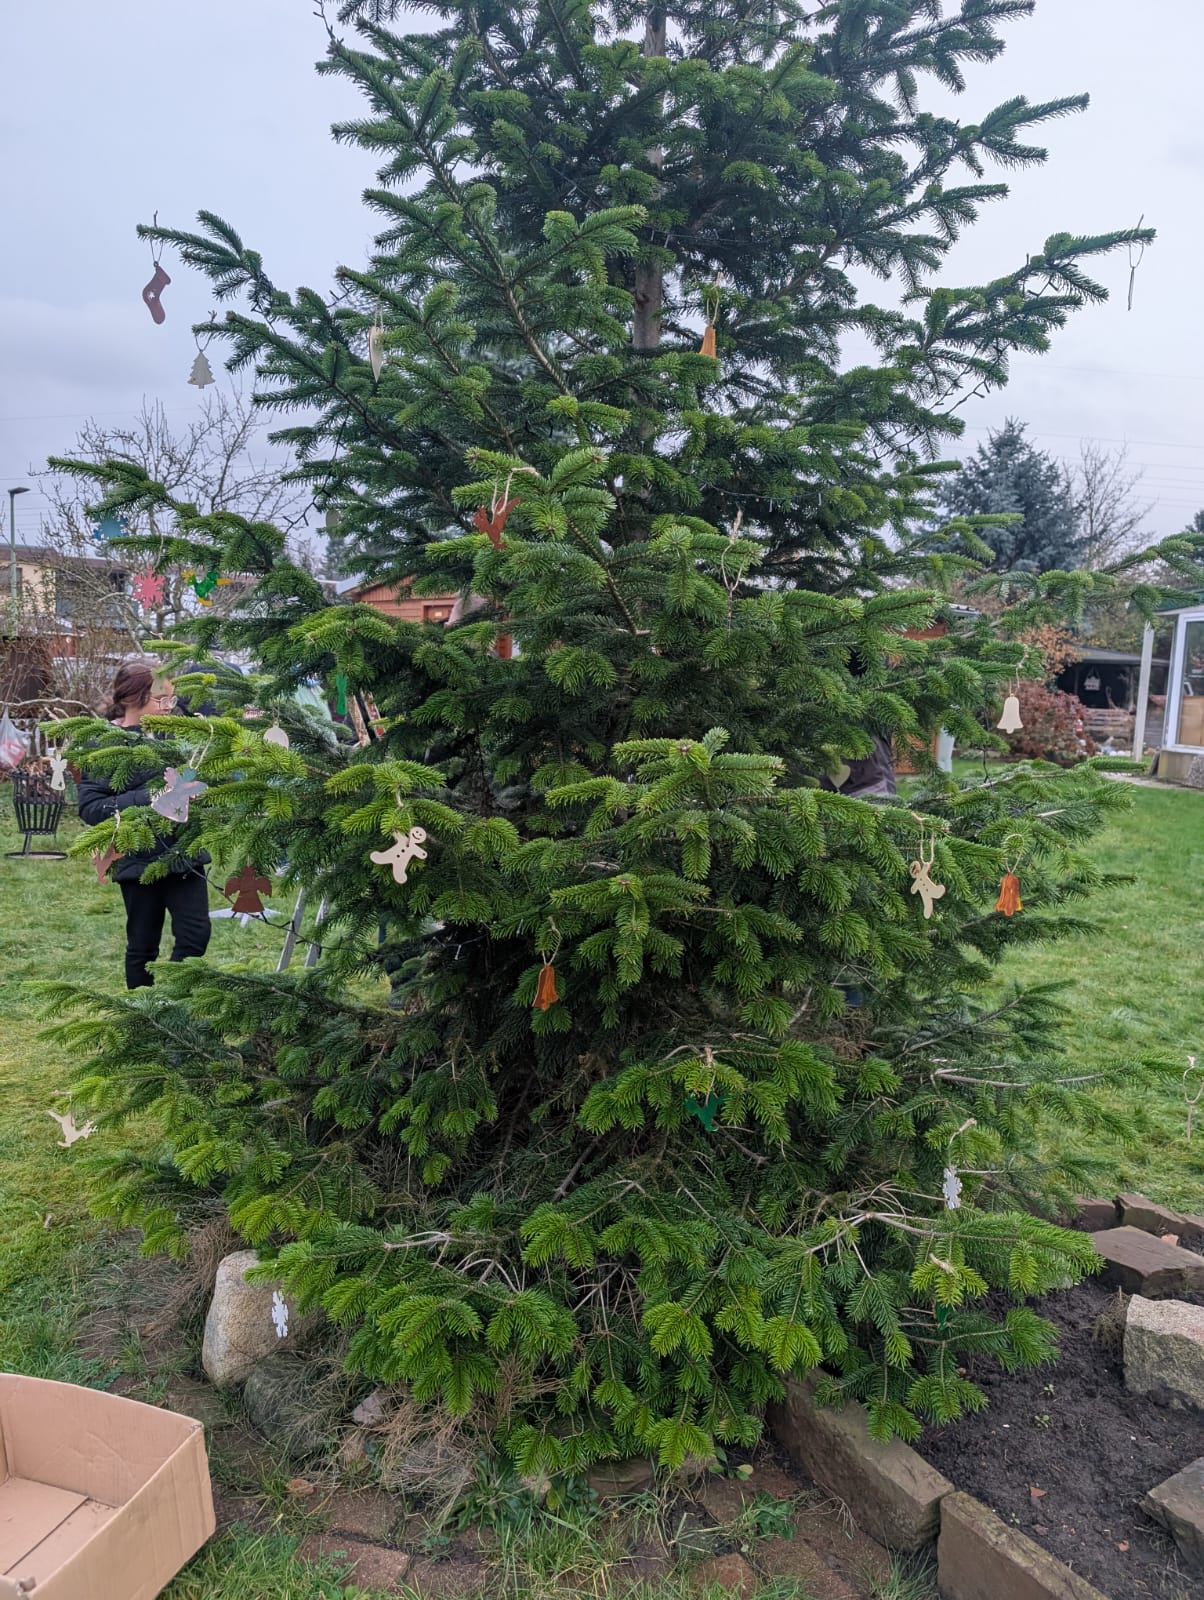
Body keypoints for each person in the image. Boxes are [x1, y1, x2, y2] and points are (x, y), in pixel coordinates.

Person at [78, 660, 212, 989]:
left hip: (184, 856)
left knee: (195, 938)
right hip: (136, 860)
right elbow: (91, 807)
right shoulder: (104, 744)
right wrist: (149, 797)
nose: (169, 707)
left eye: (172, 699)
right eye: (161, 699)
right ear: (132, 697)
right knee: (142, 946)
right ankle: (144, 1016)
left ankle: (175, 1007)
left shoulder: (177, 738)